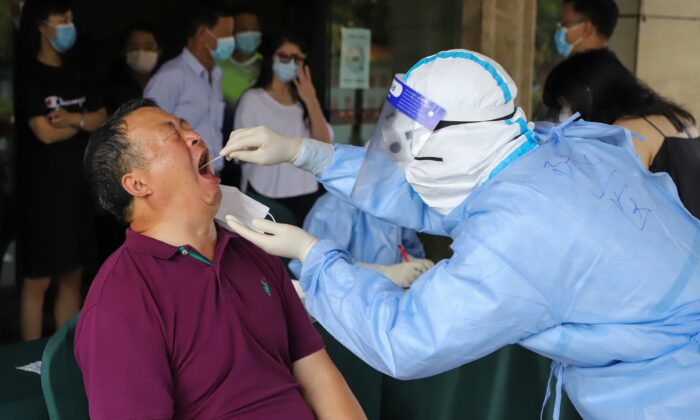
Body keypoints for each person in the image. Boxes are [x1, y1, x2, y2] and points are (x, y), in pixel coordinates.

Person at [220, 49, 700, 419]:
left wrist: (315, 257)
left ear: (449, 142)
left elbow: (407, 339)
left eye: (409, 144)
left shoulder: (516, 234)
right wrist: (306, 153)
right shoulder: (544, 153)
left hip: (671, 392)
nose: (399, 156)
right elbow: (432, 196)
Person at [76, 98, 365, 420]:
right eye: (172, 133)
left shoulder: (254, 253)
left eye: (187, 125)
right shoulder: (120, 302)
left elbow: (319, 377)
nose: (194, 135)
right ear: (138, 184)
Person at [16, 0, 106, 340]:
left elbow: (102, 117)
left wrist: (71, 119)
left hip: (77, 189)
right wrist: (83, 122)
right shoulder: (30, 75)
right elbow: (44, 132)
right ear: (42, 26)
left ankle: (65, 353)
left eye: (70, 18)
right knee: (38, 280)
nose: (69, 25)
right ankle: (29, 359)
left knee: (72, 274)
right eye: (61, 19)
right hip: (41, 195)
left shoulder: (78, 70)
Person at [543, 48, 700, 219]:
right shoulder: (675, 118)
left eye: (564, 105)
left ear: (588, 94)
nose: (562, 115)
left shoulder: (628, 132)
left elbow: (617, 212)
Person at [235, 32, 332, 225]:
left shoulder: (304, 103)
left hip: (305, 193)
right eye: (283, 56)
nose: (289, 62)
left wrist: (311, 99)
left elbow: (324, 145)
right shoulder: (253, 99)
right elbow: (240, 152)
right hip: (265, 192)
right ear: (271, 57)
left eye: (296, 58)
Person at [144, 4, 233, 174]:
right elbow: (149, 134)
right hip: (182, 175)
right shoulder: (170, 76)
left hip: (214, 174)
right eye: (226, 32)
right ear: (202, 33)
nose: (231, 39)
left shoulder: (216, 74)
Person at [288, 192, 434, 288]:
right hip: (348, 305)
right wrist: (383, 273)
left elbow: (406, 246)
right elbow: (313, 268)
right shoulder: (334, 207)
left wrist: (414, 264)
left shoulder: (394, 203)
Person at [104, 24, 160, 113]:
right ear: (123, 52)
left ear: (159, 51)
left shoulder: (166, 81)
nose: (142, 53)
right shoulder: (111, 89)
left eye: (149, 48)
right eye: (134, 48)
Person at [220, 6, 263, 107]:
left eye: (254, 29)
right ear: (232, 32)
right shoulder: (215, 64)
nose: (250, 34)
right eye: (244, 29)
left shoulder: (266, 67)